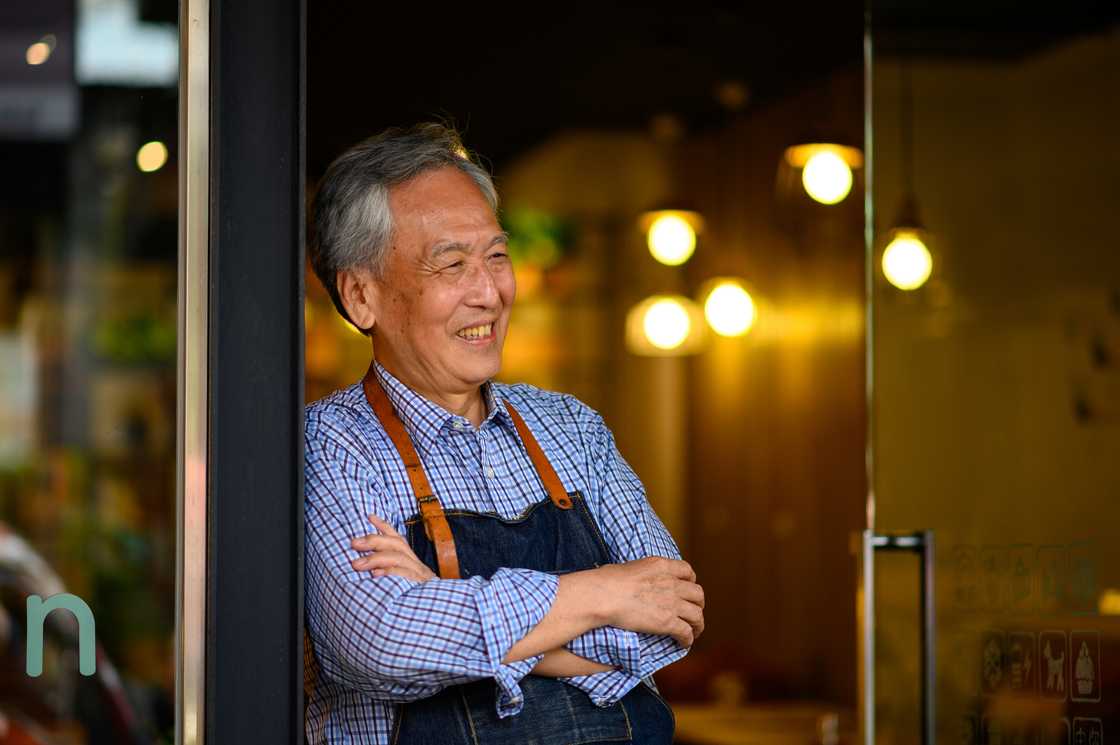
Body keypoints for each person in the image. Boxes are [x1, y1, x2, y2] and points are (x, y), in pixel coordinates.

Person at [304, 123, 705, 745]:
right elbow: (380, 642)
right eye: (452, 264)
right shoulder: (332, 443)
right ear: (361, 296)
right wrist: (601, 592)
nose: (490, 293)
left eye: (496, 256)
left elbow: (672, 615)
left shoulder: (572, 428)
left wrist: (441, 599)